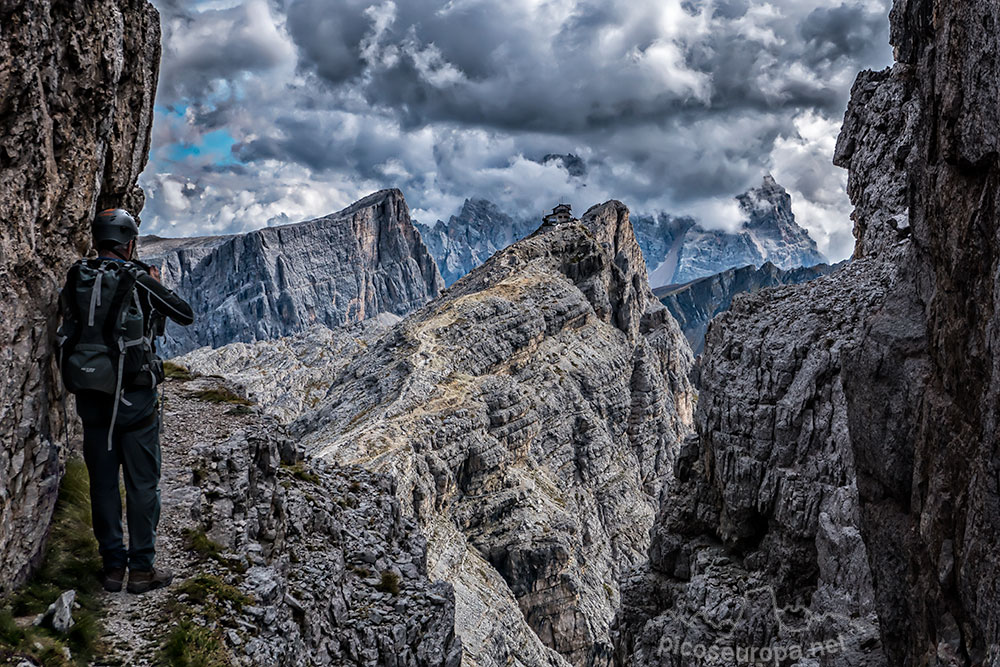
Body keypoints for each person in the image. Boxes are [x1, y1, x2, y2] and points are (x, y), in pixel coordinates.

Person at [58, 208, 194, 594]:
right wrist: (153, 283)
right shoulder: (137, 278)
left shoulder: (76, 274)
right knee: (142, 484)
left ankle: (113, 568)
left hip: (91, 397)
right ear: (129, 242)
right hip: (135, 400)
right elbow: (184, 315)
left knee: (102, 483)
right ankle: (142, 569)